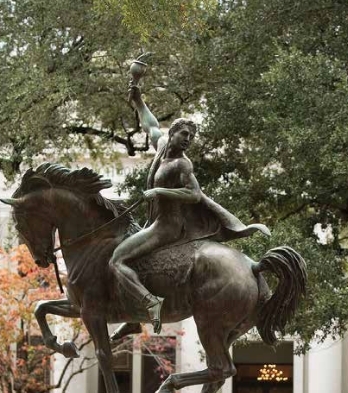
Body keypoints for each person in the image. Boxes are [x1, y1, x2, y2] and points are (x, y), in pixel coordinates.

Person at [110, 59, 269, 336]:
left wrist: (159, 191)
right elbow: (149, 123)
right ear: (172, 134)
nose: (188, 140)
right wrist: (136, 95)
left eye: (192, 137)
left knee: (117, 260)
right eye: (185, 134)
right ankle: (136, 318)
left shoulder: (183, 165)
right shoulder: (160, 146)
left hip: (168, 227)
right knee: (128, 251)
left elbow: (194, 195)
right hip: (153, 222)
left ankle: (150, 304)